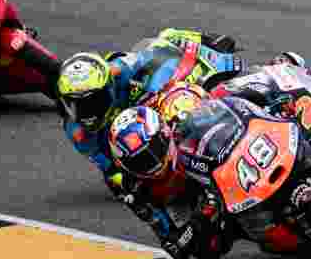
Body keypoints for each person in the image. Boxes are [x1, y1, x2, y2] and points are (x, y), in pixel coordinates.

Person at [55, 28, 244, 189]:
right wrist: (127, 180)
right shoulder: (77, 131)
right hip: (131, 144)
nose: (86, 111)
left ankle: (209, 52)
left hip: (143, 107)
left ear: (108, 87)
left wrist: (177, 75)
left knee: (168, 37)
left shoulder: (117, 71)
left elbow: (152, 53)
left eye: (92, 101)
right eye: (76, 104)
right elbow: (110, 170)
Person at [107, 105, 231, 259]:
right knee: (196, 258)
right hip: (189, 206)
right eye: (141, 161)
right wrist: (197, 223)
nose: (154, 163)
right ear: (125, 166)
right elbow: (171, 242)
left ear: (164, 134)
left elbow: (222, 114)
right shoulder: (134, 190)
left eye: (155, 148)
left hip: (214, 172)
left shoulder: (180, 122)